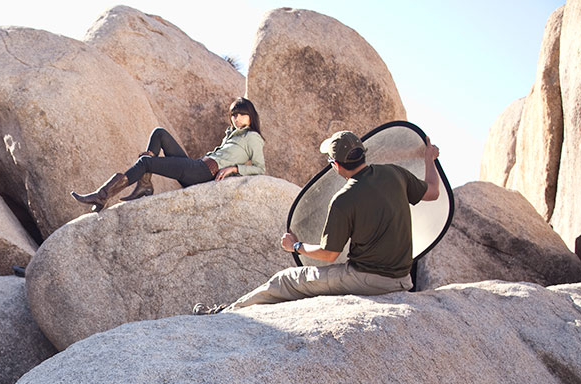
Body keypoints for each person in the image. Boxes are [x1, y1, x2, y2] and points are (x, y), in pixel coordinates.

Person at [197, 131, 440, 313]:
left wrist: (294, 246)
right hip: (403, 278)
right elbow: (432, 192)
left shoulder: (344, 199)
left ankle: (226, 313)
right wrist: (430, 159)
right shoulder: (394, 174)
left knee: (286, 280)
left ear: (335, 165)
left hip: (370, 279)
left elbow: (329, 254)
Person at [71, 97, 266, 212]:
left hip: (203, 173)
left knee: (147, 162)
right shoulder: (232, 135)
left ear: (250, 115)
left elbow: (260, 168)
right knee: (159, 133)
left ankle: (102, 196)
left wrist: (233, 168)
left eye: (241, 114)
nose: (237, 119)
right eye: (234, 115)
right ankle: (145, 183)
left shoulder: (252, 137)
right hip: (197, 167)